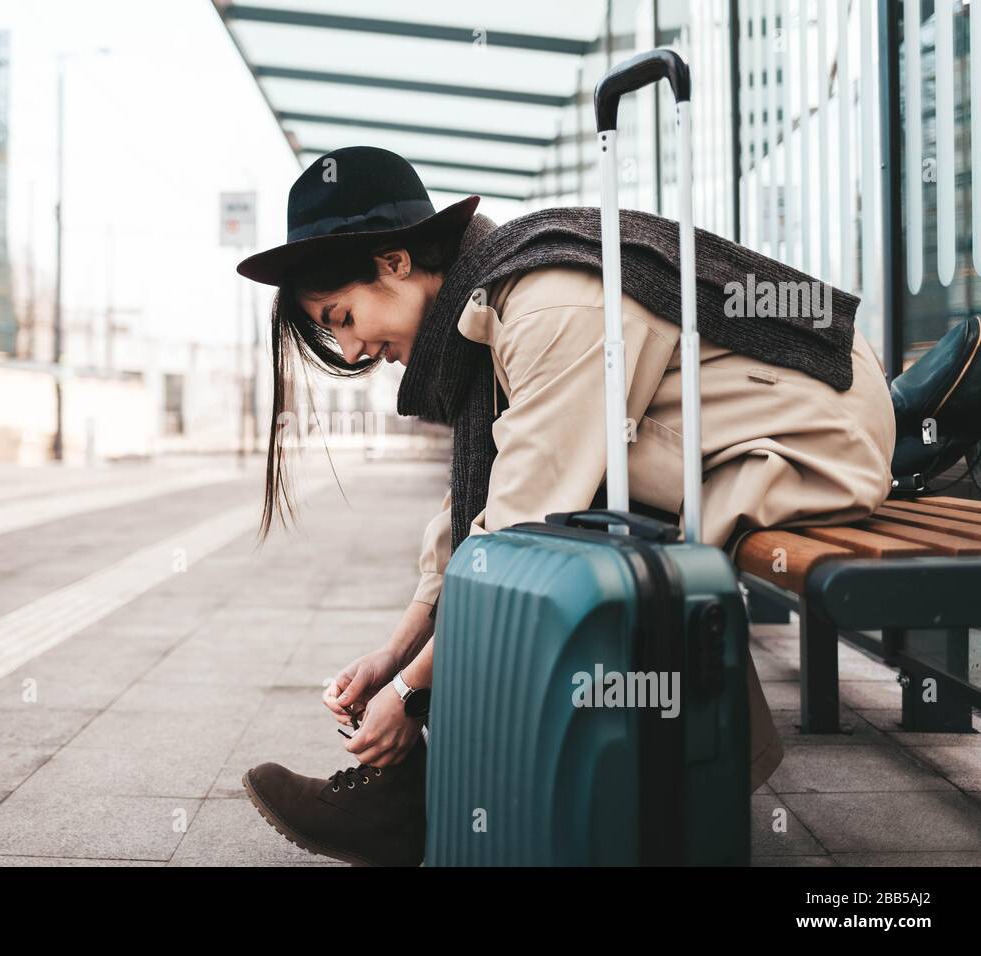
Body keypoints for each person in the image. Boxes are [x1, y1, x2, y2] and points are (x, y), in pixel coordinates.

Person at [235, 146, 895, 867]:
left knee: (549, 552)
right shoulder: (499, 292)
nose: (355, 349)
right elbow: (483, 500)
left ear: (394, 263)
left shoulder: (547, 302)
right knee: (540, 532)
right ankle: (426, 795)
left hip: (821, 432)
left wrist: (410, 693)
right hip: (761, 424)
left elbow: (512, 525)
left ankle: (438, 799)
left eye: (344, 317)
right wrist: (396, 652)